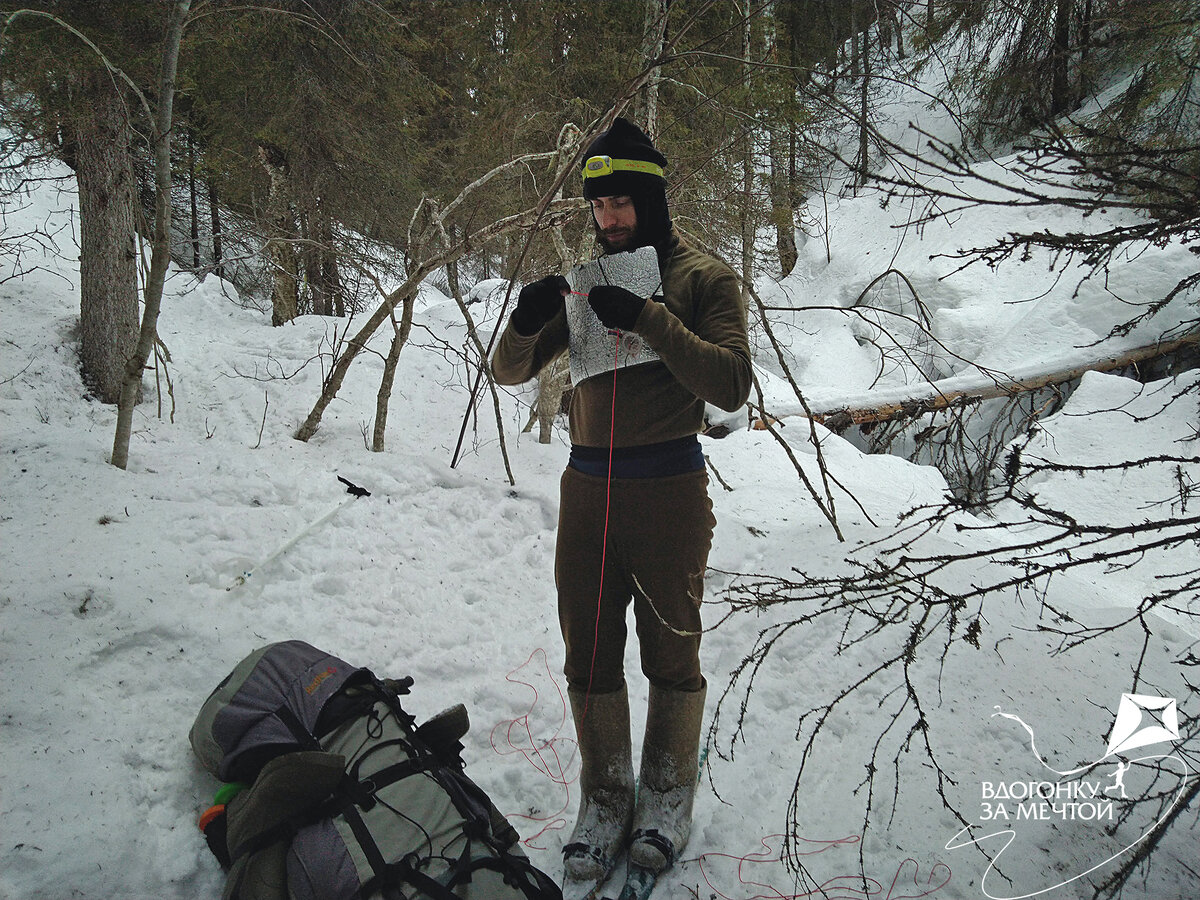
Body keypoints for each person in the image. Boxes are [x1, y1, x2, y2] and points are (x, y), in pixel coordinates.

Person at [491, 117, 752, 886]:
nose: (608, 220)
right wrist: (527, 319)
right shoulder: (581, 281)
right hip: (588, 490)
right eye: (598, 207)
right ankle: (605, 799)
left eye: (622, 204)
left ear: (652, 198)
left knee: (672, 649)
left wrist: (645, 316)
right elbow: (506, 372)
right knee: (590, 650)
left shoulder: (704, 278)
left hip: (669, 487)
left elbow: (732, 383)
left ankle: (667, 795)